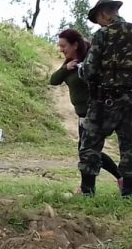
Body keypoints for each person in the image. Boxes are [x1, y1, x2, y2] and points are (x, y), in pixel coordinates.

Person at [78, 0, 132, 198]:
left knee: (90, 143)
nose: (98, 24)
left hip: (105, 100)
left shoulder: (103, 35)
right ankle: (128, 193)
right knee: (129, 145)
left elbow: (89, 70)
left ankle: (87, 191)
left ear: (105, 13)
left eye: (98, 19)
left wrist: (79, 69)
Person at [51, 29, 122, 192]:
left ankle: (88, 188)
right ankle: (116, 178)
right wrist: (66, 68)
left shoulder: (90, 60)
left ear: (75, 44)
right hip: (82, 115)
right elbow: (53, 80)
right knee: (88, 151)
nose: (61, 49)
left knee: (88, 151)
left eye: (64, 46)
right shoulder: (70, 61)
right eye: (60, 46)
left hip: (94, 113)